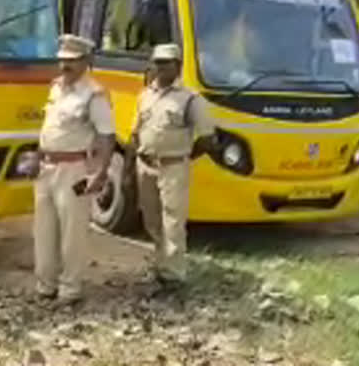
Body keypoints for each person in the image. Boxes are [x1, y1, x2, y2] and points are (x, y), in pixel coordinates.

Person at [21, 34, 115, 305]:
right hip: (46, 168)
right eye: (62, 61)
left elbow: (107, 136)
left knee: (72, 233)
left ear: (86, 61)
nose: (65, 67)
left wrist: (100, 172)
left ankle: (70, 290)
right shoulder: (55, 88)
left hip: (74, 169)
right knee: (44, 230)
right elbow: (49, 130)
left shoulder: (93, 94)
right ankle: (45, 286)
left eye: (72, 61)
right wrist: (36, 157)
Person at [126, 43, 215, 287]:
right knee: (152, 219)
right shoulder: (145, 96)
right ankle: (159, 263)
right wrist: (130, 166)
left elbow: (208, 139)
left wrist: (182, 156)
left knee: (173, 221)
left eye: (167, 63)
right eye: (158, 63)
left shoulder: (190, 100)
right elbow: (135, 133)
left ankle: (174, 274)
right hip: (145, 165)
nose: (161, 68)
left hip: (174, 166)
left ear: (178, 66)